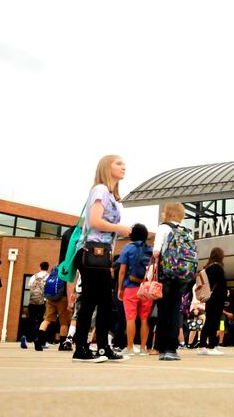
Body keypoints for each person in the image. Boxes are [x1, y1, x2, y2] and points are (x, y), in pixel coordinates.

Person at [69, 155, 132, 362]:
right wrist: (120, 229)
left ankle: (100, 347)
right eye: (118, 163)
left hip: (100, 254)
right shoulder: (101, 190)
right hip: (91, 251)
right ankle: (85, 349)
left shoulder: (110, 195)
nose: (124, 167)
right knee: (98, 302)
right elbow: (95, 221)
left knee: (99, 301)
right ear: (107, 167)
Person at [152, 202, 193, 361]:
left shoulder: (163, 228)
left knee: (163, 311)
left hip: (166, 274)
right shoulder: (187, 231)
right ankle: (172, 348)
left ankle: (162, 348)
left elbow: (156, 252)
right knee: (176, 311)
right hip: (182, 276)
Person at [116, 223, 153, 356]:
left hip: (130, 287)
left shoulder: (128, 249)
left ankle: (130, 347)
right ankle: (143, 348)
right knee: (144, 319)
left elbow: (122, 271)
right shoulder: (150, 249)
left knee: (130, 318)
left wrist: (120, 288)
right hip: (146, 289)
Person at [199, 247, 227, 356]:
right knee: (214, 322)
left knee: (208, 322)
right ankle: (211, 346)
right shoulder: (218, 268)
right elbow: (222, 284)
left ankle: (202, 346)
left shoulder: (207, 267)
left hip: (209, 297)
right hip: (217, 298)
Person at [23, 261, 50, 348]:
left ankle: (28, 338)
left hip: (32, 302)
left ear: (40, 267)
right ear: (47, 267)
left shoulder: (33, 277)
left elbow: (30, 287)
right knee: (42, 321)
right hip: (43, 302)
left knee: (31, 320)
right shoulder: (48, 277)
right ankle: (39, 339)